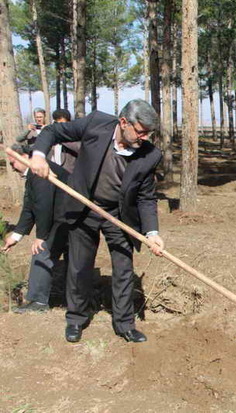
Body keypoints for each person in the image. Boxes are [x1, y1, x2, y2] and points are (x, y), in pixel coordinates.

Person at [30, 99, 165, 344]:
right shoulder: (96, 124)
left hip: (119, 215)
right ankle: (76, 319)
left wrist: (152, 231)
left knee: (124, 270)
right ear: (124, 122)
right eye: (141, 131)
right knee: (80, 267)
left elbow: (146, 196)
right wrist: (39, 156)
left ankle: (125, 324)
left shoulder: (150, 154)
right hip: (84, 206)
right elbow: (52, 131)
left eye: (149, 133)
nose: (145, 137)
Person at [1, 144, 70, 313]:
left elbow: (44, 205)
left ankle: (39, 302)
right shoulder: (32, 174)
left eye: (13, 163)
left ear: (25, 156)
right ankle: (46, 298)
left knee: (41, 251)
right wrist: (15, 237)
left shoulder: (40, 171)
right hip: (61, 219)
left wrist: (41, 236)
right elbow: (29, 207)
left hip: (68, 219)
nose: (12, 168)